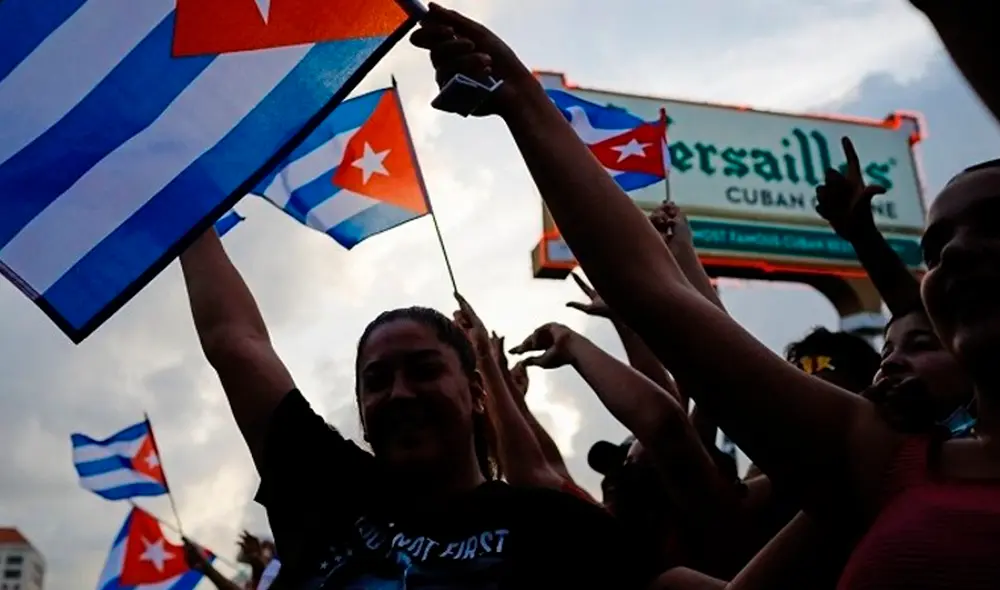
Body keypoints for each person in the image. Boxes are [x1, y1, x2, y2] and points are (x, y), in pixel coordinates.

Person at [411, 7, 1000, 586]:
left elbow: (668, 414)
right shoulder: (881, 464)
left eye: (994, 223)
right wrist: (521, 98)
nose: (952, 255)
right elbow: (655, 294)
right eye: (937, 244)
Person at [179, 228, 660, 588]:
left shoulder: (560, 529)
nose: (400, 393)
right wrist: (179, 195)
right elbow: (235, 343)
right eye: (377, 380)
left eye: (425, 370)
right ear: (362, 409)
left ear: (476, 393)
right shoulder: (327, 489)